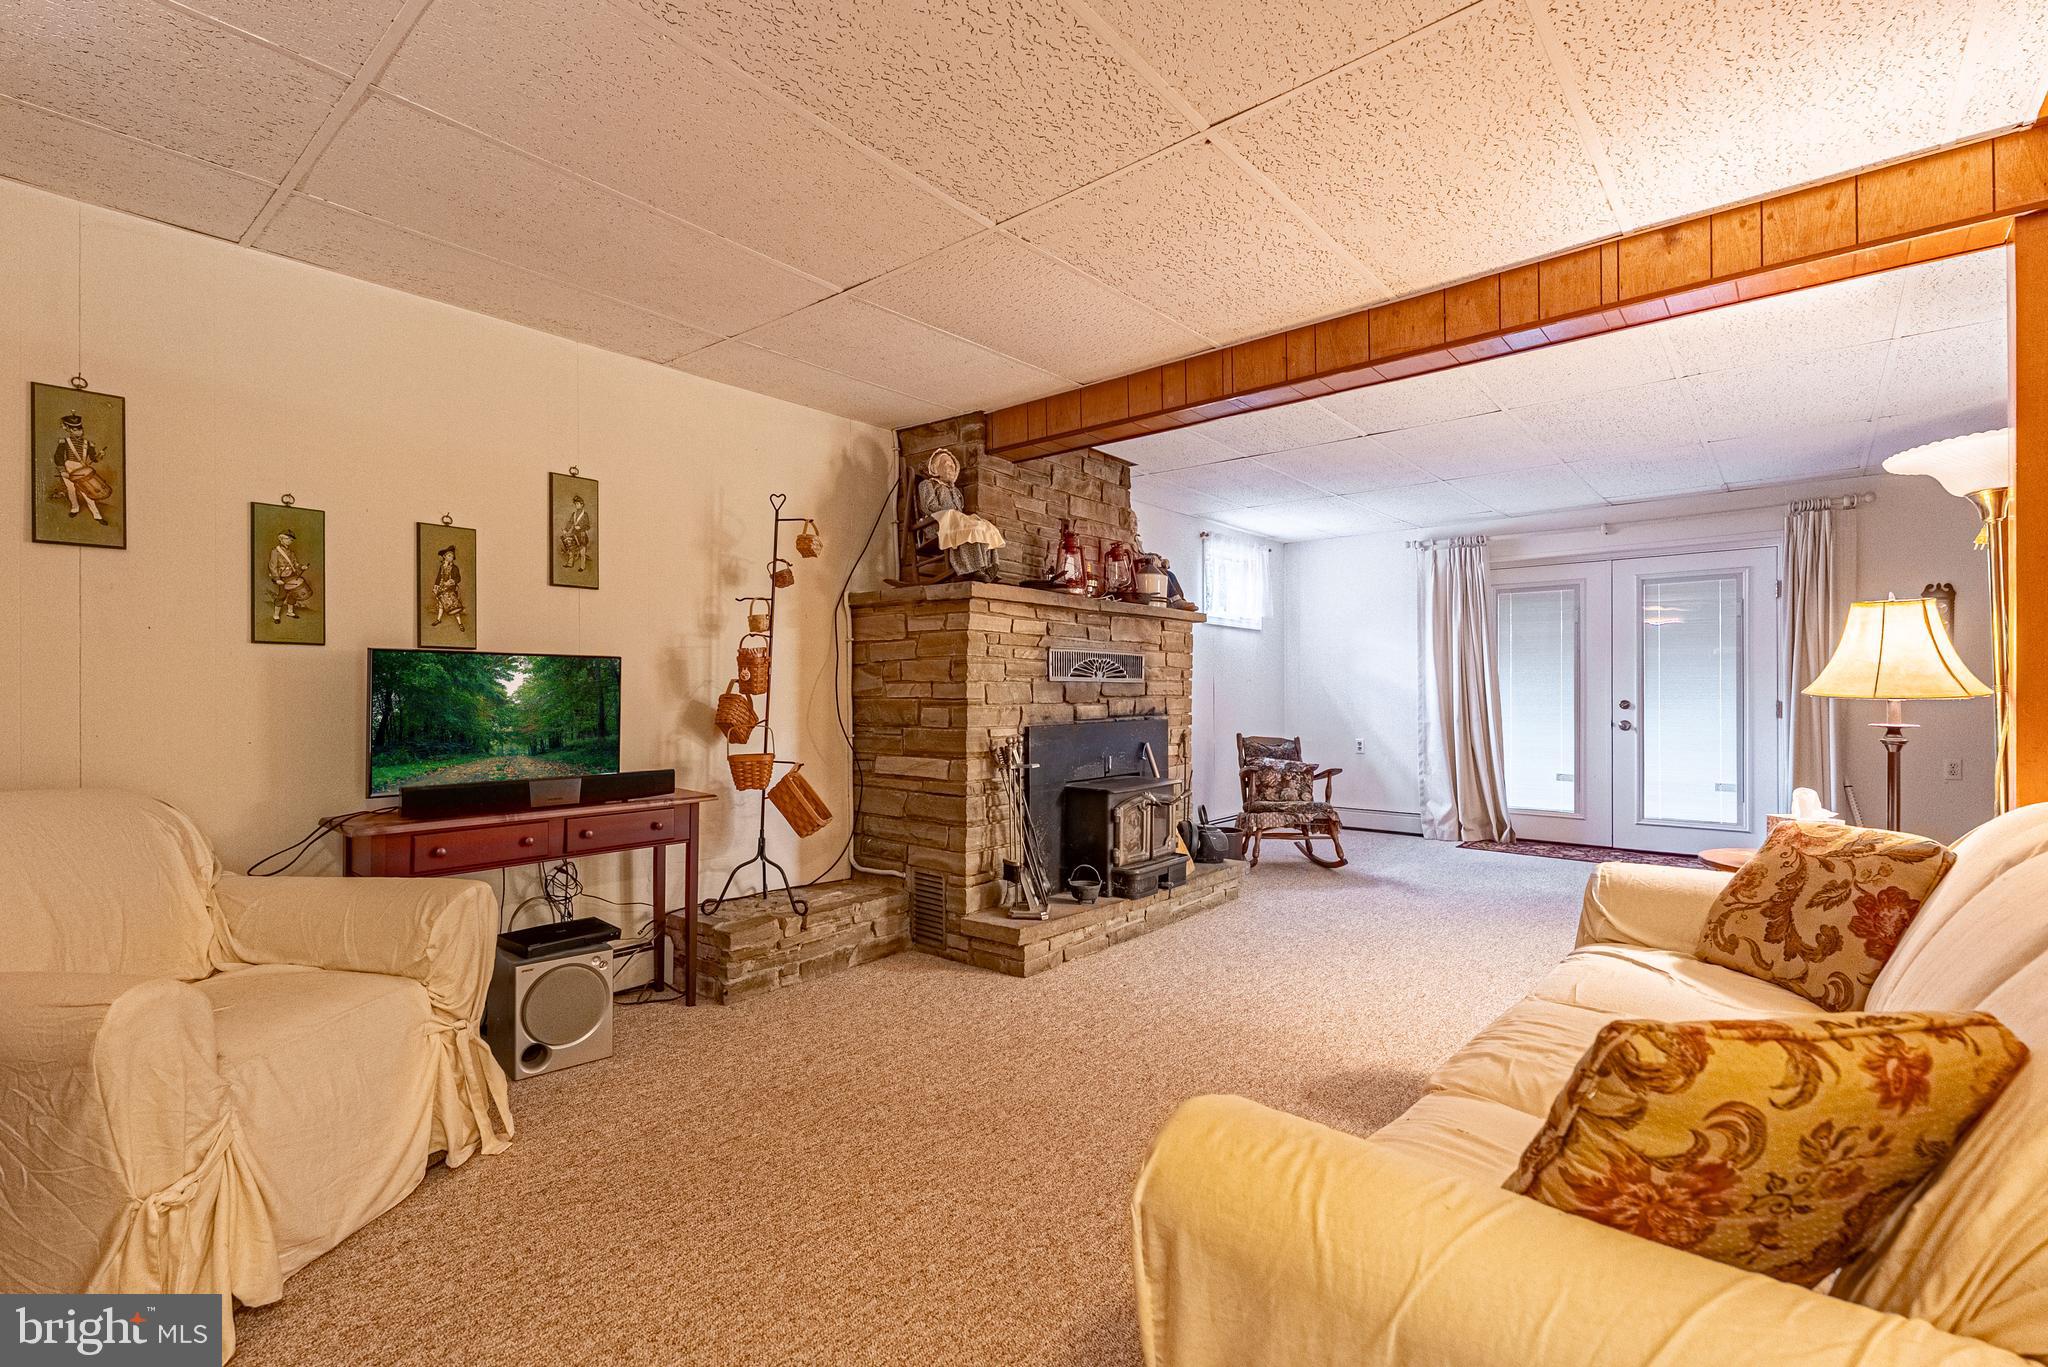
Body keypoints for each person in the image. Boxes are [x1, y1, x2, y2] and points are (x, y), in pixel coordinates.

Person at [50, 412, 111, 524]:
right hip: (68, 467)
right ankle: (75, 508)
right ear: (69, 430)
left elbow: (94, 459)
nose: (79, 432)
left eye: (80, 429)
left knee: (87, 491)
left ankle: (97, 516)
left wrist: (100, 455)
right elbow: (58, 456)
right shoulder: (64, 442)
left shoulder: (89, 444)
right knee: (71, 489)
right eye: (75, 430)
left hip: (82, 468)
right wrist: (62, 471)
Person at [267, 529, 314, 624]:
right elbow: (272, 566)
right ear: (281, 539)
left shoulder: (291, 552)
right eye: (288, 539)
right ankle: (276, 615)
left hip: (292, 575)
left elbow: (295, 563)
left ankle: (290, 612)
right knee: (282, 595)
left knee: (293, 594)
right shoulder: (275, 551)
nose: (290, 541)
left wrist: (301, 566)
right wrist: (277, 579)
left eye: (291, 540)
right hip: (282, 577)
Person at [431, 545, 466, 629]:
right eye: (449, 556)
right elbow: (439, 577)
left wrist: (451, 582)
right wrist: (436, 586)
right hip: (441, 588)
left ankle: (460, 623)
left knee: (454, 606)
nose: (451, 557)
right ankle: (439, 619)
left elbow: (458, 578)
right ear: (444, 557)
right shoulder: (442, 567)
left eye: (452, 556)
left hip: (450, 589)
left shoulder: (454, 568)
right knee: (441, 604)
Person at [558, 494, 591, 572]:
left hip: (582, 534)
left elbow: (588, 526)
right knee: (571, 549)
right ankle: (570, 563)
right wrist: (566, 529)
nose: (576, 505)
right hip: (574, 533)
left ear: (582, 504)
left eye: (577, 504)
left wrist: (580, 527)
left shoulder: (585, 515)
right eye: (575, 504)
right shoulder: (574, 514)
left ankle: (582, 567)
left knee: (582, 551)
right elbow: (570, 522)